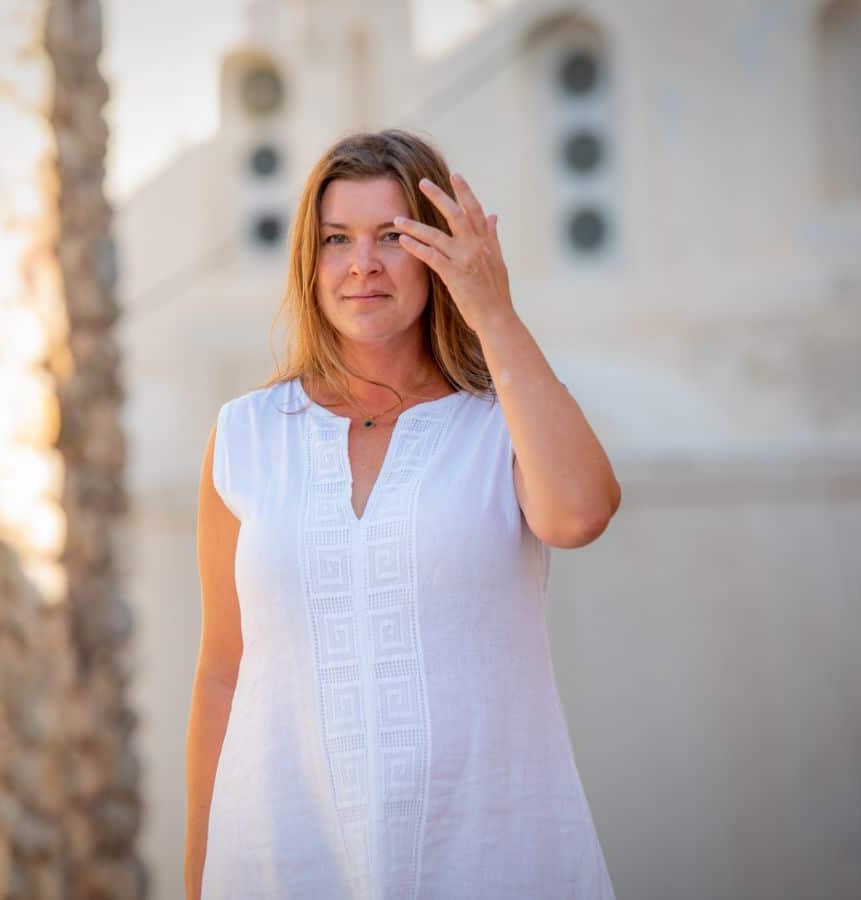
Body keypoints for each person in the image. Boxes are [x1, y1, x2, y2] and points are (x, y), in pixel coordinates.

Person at [187, 128, 621, 900]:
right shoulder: (246, 436)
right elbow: (222, 671)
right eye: (336, 239)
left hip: (490, 857)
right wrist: (197, 879)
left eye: (392, 236)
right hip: (285, 866)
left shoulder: (501, 423)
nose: (363, 264)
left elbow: (581, 514)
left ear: (440, 252)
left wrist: (495, 313)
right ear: (308, 261)